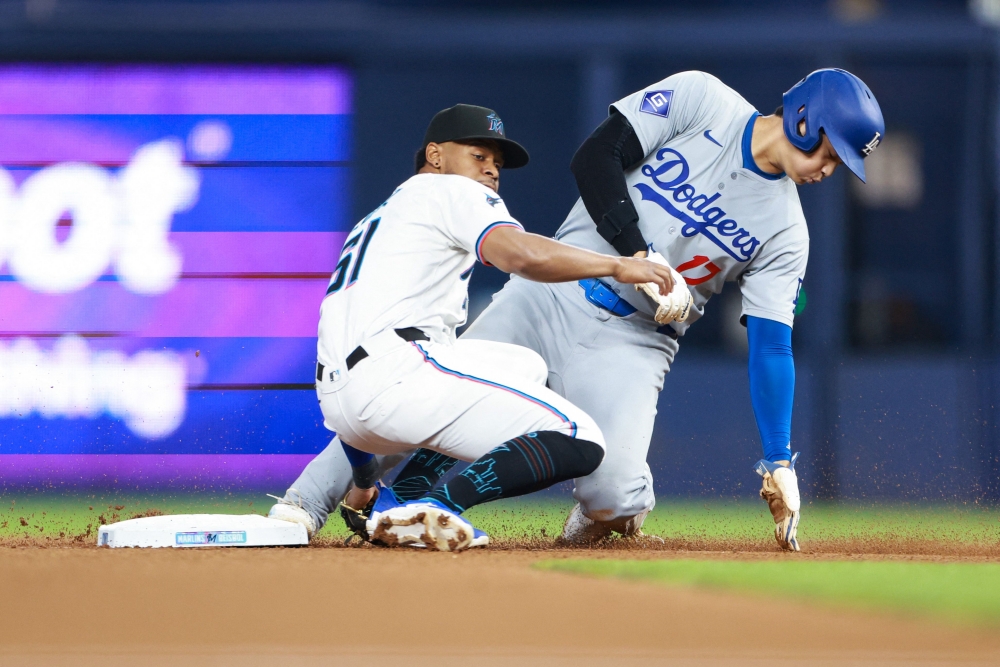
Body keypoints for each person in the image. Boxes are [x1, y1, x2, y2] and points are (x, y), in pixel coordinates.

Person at [272, 69, 884, 552]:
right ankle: (306, 503)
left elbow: (772, 345)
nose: (832, 171)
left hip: (636, 342)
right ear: (805, 120)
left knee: (613, 494)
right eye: (833, 153)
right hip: (547, 296)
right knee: (419, 387)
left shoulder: (787, 231)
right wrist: (633, 253)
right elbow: (596, 156)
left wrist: (778, 458)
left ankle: (593, 533)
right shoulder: (705, 101)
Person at [285, 103, 683, 552]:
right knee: (582, 438)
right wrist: (617, 263)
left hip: (343, 400)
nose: (492, 170)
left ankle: (390, 497)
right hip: (397, 377)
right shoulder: (452, 192)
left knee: (524, 366)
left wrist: (362, 479)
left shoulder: (382, 217)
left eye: (497, 163)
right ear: (435, 155)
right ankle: (440, 506)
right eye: (479, 155)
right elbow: (521, 255)